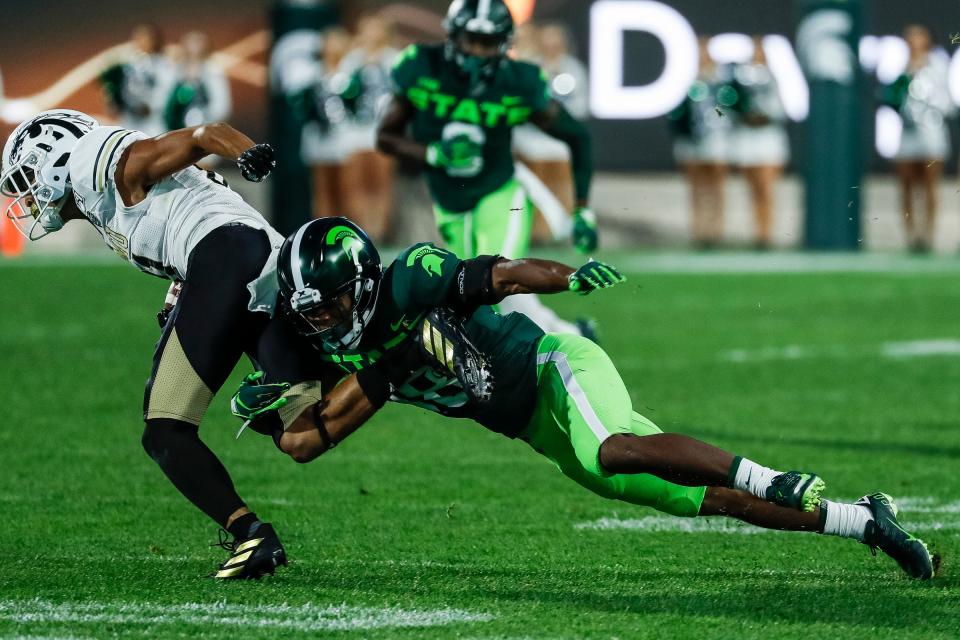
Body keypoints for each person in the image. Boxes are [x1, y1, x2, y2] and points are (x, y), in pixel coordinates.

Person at [229, 217, 936, 582]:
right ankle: (860, 520)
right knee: (701, 499)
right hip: (537, 430)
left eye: (330, 305)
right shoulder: (361, 365)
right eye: (311, 311)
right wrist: (264, 418)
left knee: (615, 445)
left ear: (359, 280)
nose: (321, 319)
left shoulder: (411, 277)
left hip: (554, 365)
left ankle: (769, 476)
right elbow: (307, 441)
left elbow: (498, 275)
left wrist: (566, 279)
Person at [0, 109, 291, 579]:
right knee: (301, 432)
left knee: (165, 430)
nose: (27, 198)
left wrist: (245, 150)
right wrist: (182, 284)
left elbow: (199, 136)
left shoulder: (94, 162)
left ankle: (251, 534)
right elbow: (190, 203)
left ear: (54, 161)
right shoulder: (98, 198)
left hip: (226, 261)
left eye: (29, 177)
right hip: (258, 262)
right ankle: (407, 358)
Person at [377, 0, 597, 339]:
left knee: (496, 283)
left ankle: (557, 354)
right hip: (450, 204)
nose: (479, 52)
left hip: (499, 192)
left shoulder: (519, 81)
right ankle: (575, 334)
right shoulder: (421, 66)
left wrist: (582, 209)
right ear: (453, 36)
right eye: (472, 40)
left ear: (505, 43)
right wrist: (434, 154)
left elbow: (577, 137)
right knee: (475, 294)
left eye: (488, 43)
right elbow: (386, 137)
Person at [512, 22, 590, 241]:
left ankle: (561, 230)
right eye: (547, 41)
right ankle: (534, 231)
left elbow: (582, 105)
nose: (551, 46)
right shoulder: (532, 68)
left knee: (563, 188)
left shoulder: (573, 69)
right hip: (529, 139)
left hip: (558, 140)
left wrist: (560, 119)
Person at [881, 25, 954, 253]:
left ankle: (928, 234)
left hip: (931, 133)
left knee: (930, 186)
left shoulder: (938, 65)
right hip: (907, 134)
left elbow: (947, 101)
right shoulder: (899, 66)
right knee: (907, 187)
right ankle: (911, 235)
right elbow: (891, 98)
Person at [668, 37, 734, 249]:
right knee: (696, 187)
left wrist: (712, 110)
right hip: (692, 140)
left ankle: (716, 229)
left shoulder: (719, 84)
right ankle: (699, 229)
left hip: (714, 139)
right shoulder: (686, 82)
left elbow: (725, 113)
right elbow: (677, 112)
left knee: (716, 186)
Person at [338, 15, 399, 242]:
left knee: (380, 184)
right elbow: (340, 88)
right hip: (355, 130)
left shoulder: (394, 58)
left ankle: (379, 233)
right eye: (366, 30)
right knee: (355, 183)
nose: (370, 35)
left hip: (381, 130)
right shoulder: (353, 59)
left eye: (375, 30)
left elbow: (401, 94)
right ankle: (360, 232)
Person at [730, 36, 788, 250]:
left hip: (767, 138)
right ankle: (757, 231)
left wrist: (762, 116)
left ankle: (766, 232)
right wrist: (742, 115)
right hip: (747, 139)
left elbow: (780, 110)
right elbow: (727, 107)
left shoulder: (772, 79)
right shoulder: (740, 80)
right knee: (753, 189)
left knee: (766, 188)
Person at [294, 28, 358, 219]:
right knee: (322, 189)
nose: (330, 47)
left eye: (335, 42)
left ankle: (350, 233)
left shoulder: (353, 70)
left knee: (347, 188)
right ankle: (322, 231)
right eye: (327, 42)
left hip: (346, 136)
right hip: (318, 136)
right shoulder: (310, 72)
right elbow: (300, 103)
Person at [99, 24, 175, 136]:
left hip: (154, 121)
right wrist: (114, 100)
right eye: (137, 38)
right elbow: (120, 92)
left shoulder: (164, 65)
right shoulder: (128, 66)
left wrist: (150, 105)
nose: (141, 42)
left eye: (145, 38)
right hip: (129, 120)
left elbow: (167, 91)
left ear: (155, 40)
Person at [163, 32, 232, 134]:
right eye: (190, 42)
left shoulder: (213, 71)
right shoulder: (173, 70)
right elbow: (164, 101)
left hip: (207, 132)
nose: (193, 47)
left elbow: (222, 105)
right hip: (174, 132)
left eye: (197, 42)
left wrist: (206, 120)